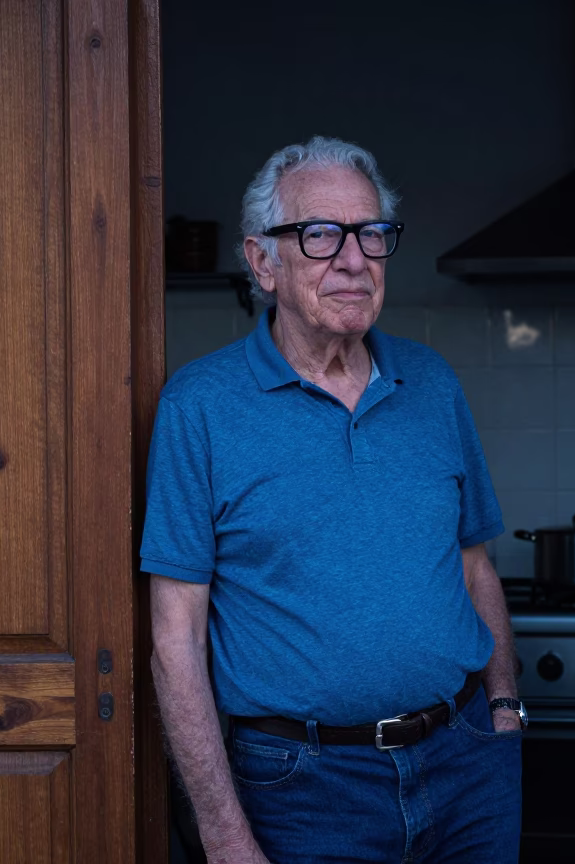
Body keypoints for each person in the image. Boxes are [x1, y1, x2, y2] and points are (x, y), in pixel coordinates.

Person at [142, 136, 524, 864]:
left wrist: (504, 715)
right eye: (320, 235)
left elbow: (476, 569)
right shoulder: (201, 406)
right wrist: (225, 840)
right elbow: (175, 640)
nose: (354, 259)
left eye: (372, 233)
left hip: (468, 765)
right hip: (304, 791)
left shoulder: (432, 383)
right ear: (262, 263)